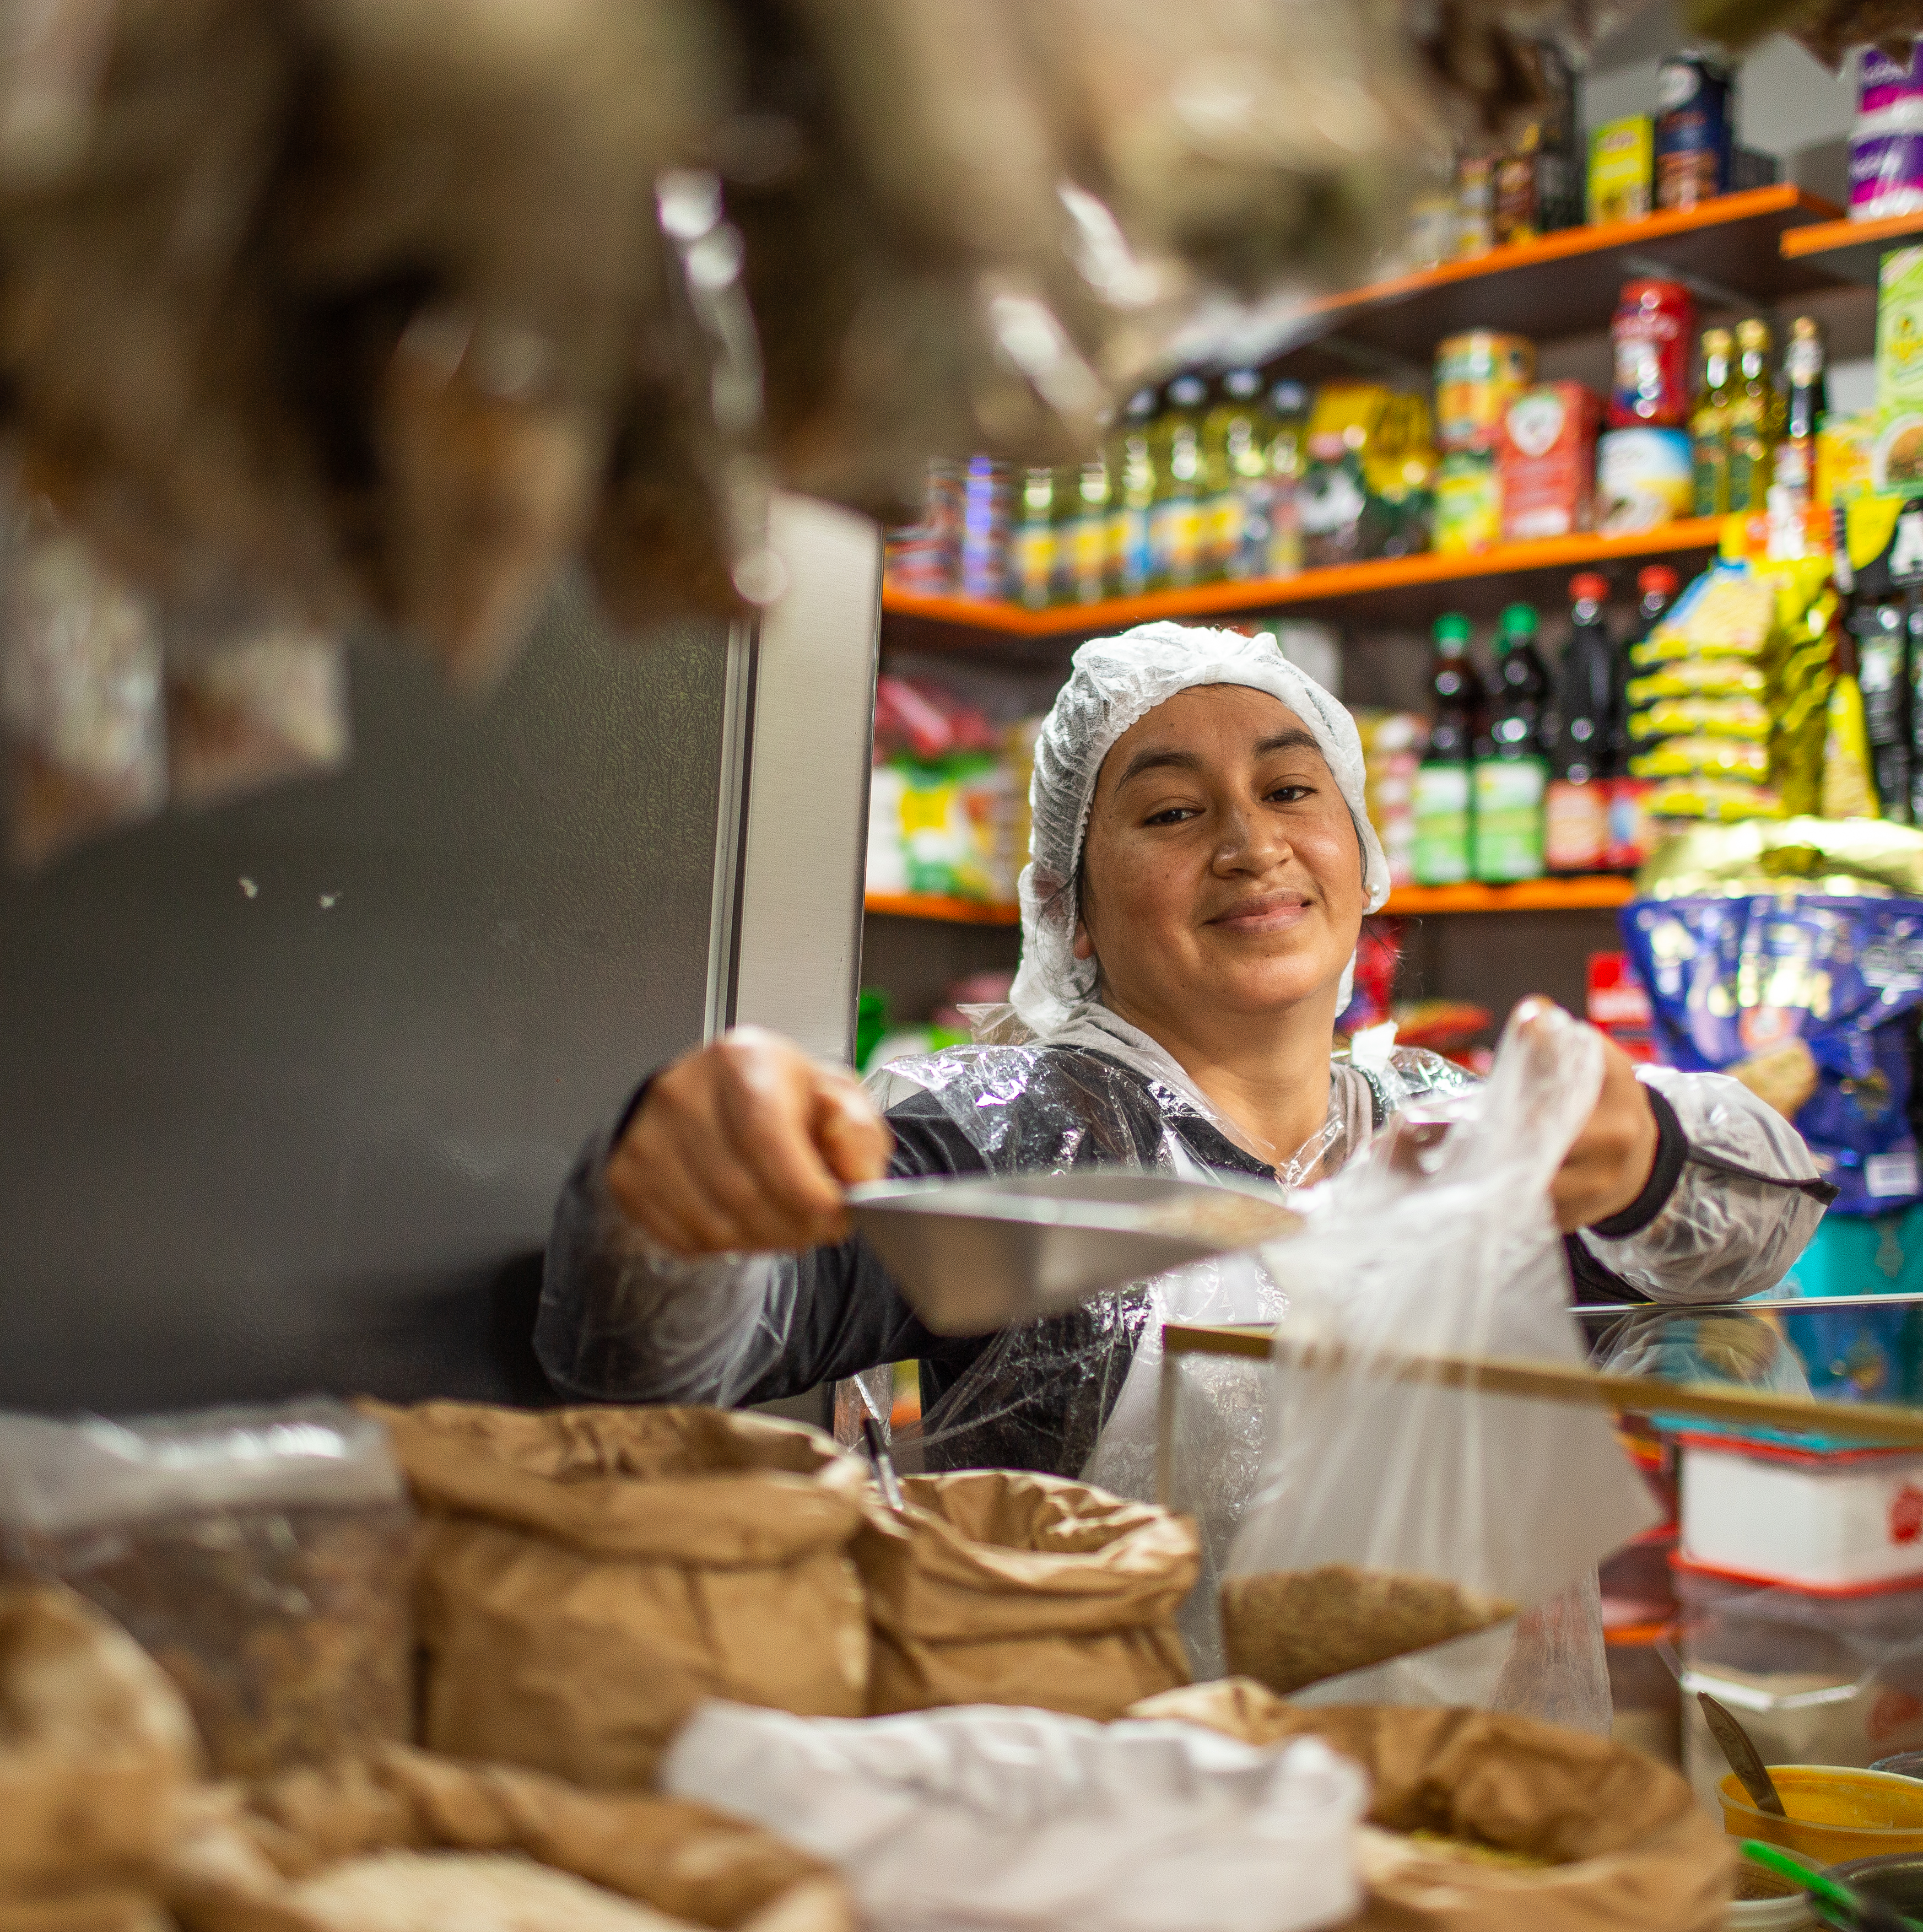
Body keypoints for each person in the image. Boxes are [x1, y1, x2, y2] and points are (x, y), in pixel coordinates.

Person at [534, 621, 1828, 1480]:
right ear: (1071, 910)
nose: (1251, 843)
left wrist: (1648, 1158)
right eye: (1168, 809)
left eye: (1291, 790)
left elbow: (1749, 1240)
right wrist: (668, 1203)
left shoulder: (1455, 1130)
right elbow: (657, 1358)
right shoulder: (987, 1147)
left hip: (1450, 1817)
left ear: (1363, 857)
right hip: (1100, 1835)